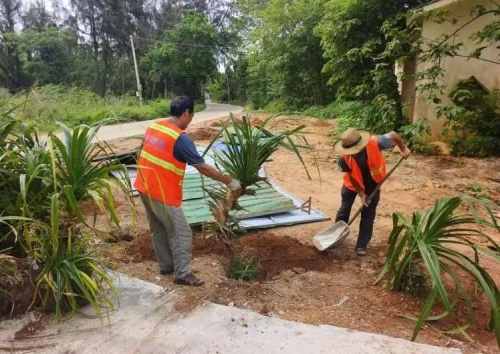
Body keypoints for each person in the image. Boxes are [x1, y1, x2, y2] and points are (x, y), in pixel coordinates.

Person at [135, 96, 242, 286]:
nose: (191, 120)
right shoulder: (181, 138)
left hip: (144, 187)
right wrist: (229, 182)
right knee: (182, 232)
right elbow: (202, 167)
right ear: (186, 113)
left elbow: (143, 151)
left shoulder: (155, 126)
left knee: (158, 229)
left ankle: (167, 266)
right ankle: (182, 274)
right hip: (163, 193)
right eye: (191, 116)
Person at [333, 128, 411, 256]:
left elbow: (393, 134)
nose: (352, 153)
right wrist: (361, 194)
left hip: (373, 183)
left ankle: (362, 244)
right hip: (352, 184)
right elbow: (352, 176)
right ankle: (336, 235)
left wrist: (402, 148)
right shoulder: (343, 159)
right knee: (344, 209)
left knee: (368, 213)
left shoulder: (376, 142)